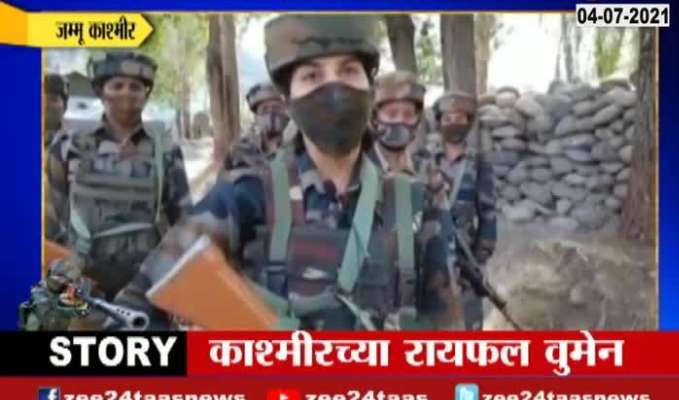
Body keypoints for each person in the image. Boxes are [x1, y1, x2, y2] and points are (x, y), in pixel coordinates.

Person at [113, 14, 459, 331]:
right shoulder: (244, 197)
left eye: (349, 71)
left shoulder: (416, 205)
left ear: (370, 87)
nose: (334, 89)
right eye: (312, 76)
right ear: (289, 98)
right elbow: (134, 311)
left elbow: (452, 346)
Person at [23, 51, 193, 331]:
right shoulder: (68, 146)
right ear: (102, 92)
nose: (127, 93)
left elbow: (185, 223)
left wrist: (181, 286)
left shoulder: (165, 150)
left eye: (135, 87)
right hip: (84, 288)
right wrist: (64, 273)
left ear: (146, 95)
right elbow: (51, 221)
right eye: (117, 86)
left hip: (146, 288)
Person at [430, 91, 497, 330]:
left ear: (469, 123)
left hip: (465, 260)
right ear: (439, 123)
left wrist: (478, 260)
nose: (453, 124)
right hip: (431, 261)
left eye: (459, 118)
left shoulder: (479, 163)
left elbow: (488, 215)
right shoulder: (425, 162)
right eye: (447, 119)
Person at [367, 71, 425, 175]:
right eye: (391, 114)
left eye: (408, 114)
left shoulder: (424, 169)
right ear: (374, 118)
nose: (400, 120)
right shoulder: (357, 169)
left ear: (417, 119)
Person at [44, 74, 73, 244]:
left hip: (60, 244)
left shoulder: (76, 147)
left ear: (64, 106)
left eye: (54, 99)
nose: (45, 104)